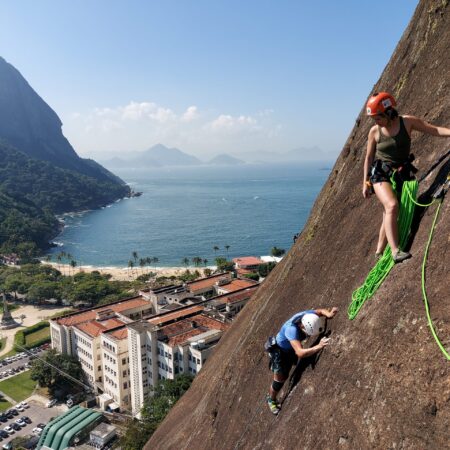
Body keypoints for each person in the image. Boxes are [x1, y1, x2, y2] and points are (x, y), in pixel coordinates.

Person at [363, 92, 450, 263]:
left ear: (388, 112)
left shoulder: (407, 122)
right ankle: (395, 251)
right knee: (392, 205)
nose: (376, 122)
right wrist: (365, 182)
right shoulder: (375, 131)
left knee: (388, 210)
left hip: (401, 173)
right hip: (380, 174)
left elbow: (433, 129)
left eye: (378, 117)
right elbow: (368, 157)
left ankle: (379, 251)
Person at [266, 307, 338, 415]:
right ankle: (271, 399)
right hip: (279, 351)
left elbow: (319, 311)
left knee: (287, 373)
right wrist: (318, 346)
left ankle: (272, 396)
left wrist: (328, 314)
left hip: (289, 347)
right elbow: (300, 353)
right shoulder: (292, 330)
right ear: (302, 326)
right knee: (280, 379)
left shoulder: (306, 316)